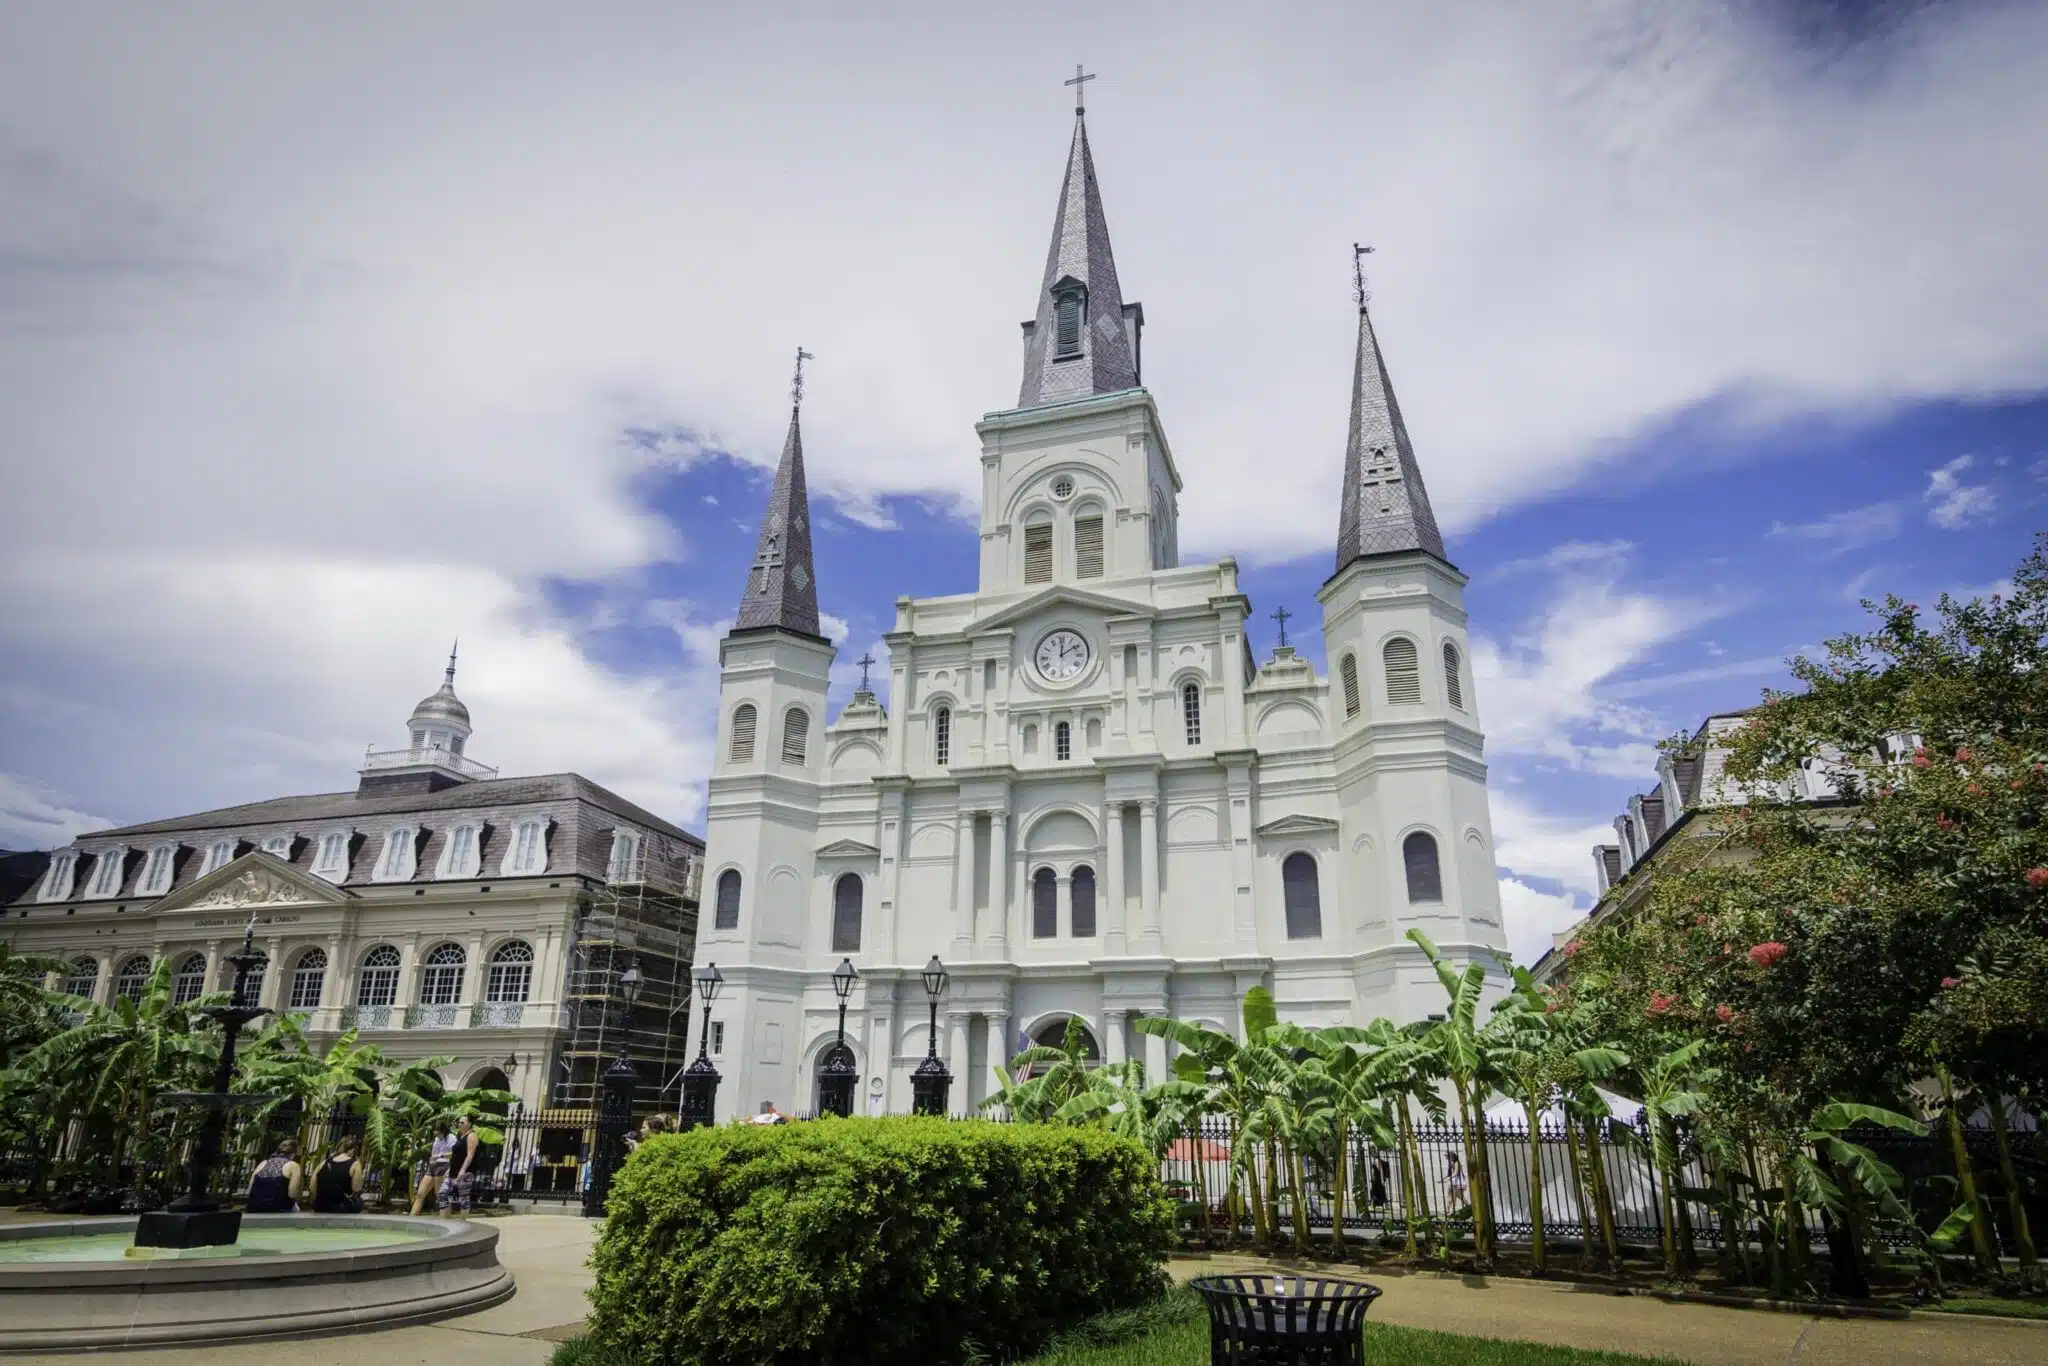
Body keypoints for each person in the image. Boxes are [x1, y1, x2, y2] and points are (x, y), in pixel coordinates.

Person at [311, 1135, 366, 1214]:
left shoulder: (324, 1162)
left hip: (320, 1205)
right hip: (341, 1206)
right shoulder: (355, 1164)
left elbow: (312, 1186)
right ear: (353, 1150)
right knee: (360, 1202)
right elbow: (356, 1189)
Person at [244, 1138, 302, 1213]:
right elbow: (292, 1194)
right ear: (294, 1153)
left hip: (254, 1207)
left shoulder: (263, 1163)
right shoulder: (294, 1166)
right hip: (279, 1208)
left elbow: (250, 1189)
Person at [411, 1122, 454, 1215]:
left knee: (440, 1196)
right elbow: (433, 1154)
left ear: (443, 1131)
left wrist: (440, 1155)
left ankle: (446, 1220)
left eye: (437, 1131)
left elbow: (454, 1153)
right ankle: (411, 1218)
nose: (435, 1133)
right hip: (433, 1166)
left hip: (444, 1166)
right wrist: (432, 1160)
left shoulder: (451, 1138)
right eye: (434, 1131)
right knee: (420, 1194)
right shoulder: (437, 1139)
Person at [446, 1115, 480, 1215]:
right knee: (444, 1195)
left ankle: (463, 1222)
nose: (459, 1125)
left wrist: (462, 1170)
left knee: (464, 1198)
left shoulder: (471, 1135)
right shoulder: (461, 1136)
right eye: (459, 1123)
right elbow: (455, 1155)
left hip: (465, 1172)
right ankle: (446, 1221)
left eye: (462, 1123)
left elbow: (470, 1155)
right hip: (453, 1172)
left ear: (469, 1124)